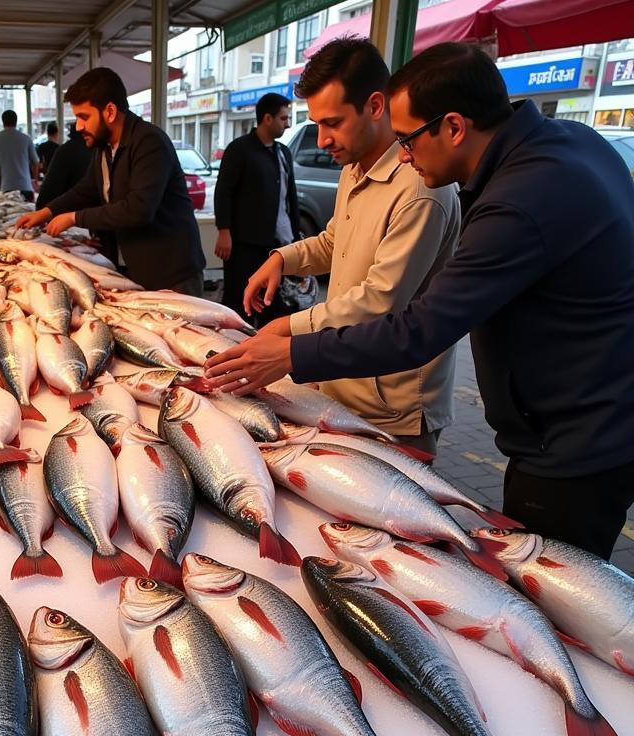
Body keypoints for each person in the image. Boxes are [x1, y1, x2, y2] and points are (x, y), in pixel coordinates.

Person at [206, 42, 634, 558]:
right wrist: (287, 261)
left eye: (408, 140)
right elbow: (340, 242)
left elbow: (416, 329)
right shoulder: (565, 144)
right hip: (577, 422)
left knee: (551, 595)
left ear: (454, 127)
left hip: (574, 444)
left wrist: (292, 350)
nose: (403, 154)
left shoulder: (514, 201)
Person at [237, 40, 461, 455]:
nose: (322, 139)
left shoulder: (419, 187)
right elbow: (333, 240)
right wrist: (282, 258)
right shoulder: (356, 166)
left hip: (391, 406)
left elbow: (379, 300)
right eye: (316, 124)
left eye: (332, 123)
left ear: (376, 106)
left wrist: (289, 331)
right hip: (342, 379)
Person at [16, 67, 205, 295]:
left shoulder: (149, 142)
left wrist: (75, 218)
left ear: (110, 111)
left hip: (173, 275)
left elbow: (138, 209)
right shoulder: (104, 148)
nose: (78, 127)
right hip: (140, 270)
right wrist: (47, 211)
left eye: (84, 117)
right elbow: (86, 190)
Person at [213, 92, 299, 324]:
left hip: (276, 245)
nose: (287, 123)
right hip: (244, 246)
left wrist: (296, 236)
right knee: (240, 304)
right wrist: (224, 230)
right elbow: (224, 191)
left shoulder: (283, 152)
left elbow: (289, 198)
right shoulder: (239, 150)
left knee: (273, 304)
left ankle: (269, 350)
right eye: (283, 118)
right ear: (267, 119)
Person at [37, 121, 93, 207]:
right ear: (57, 133)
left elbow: (44, 199)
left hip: (68, 212)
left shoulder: (65, 150)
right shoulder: (100, 152)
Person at [0, 109, 39, 201]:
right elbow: (35, 162)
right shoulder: (26, 138)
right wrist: (34, 179)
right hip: (26, 187)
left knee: (9, 215)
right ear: (16, 121)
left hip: (6, 188)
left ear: (3, 122)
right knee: (27, 214)